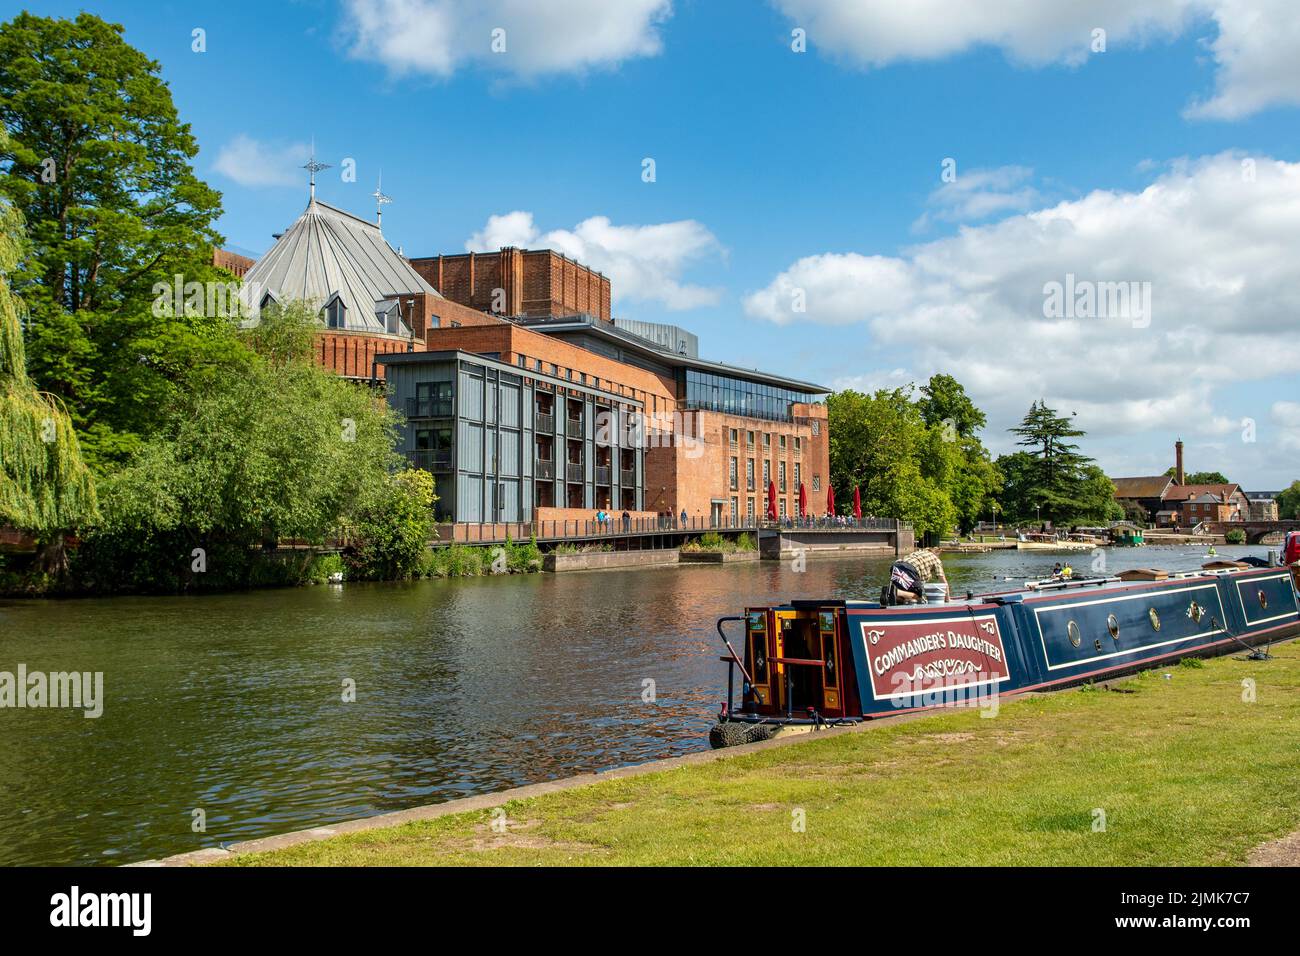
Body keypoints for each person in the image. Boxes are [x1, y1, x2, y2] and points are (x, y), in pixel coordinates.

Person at [881, 546, 948, 605]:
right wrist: (948, 599)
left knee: (905, 594)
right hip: (909, 569)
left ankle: (891, 595)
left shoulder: (919, 552)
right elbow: (943, 581)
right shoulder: (936, 559)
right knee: (918, 598)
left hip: (896, 566)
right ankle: (895, 592)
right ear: (937, 554)